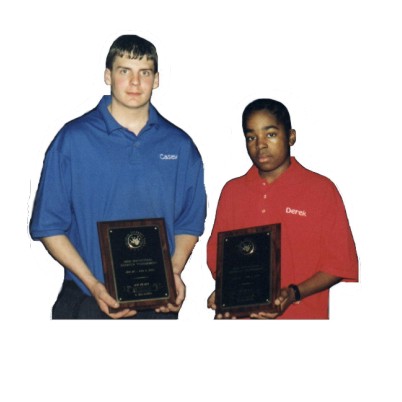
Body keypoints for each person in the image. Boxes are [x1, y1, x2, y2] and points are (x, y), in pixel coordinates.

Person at [30, 35, 206, 319]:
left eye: (144, 73)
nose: (135, 82)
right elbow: (49, 226)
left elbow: (188, 223)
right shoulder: (72, 140)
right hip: (87, 301)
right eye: (125, 71)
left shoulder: (180, 146)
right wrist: (93, 284)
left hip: (157, 305)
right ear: (108, 76)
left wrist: (172, 273)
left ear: (156, 79)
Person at [206, 98, 358, 319]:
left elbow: (339, 264)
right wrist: (227, 290)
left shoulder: (321, 190)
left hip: (301, 317)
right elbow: (219, 256)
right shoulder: (232, 191)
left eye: (270, 134)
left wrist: (293, 293)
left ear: (291, 137)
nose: (260, 145)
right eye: (251, 137)